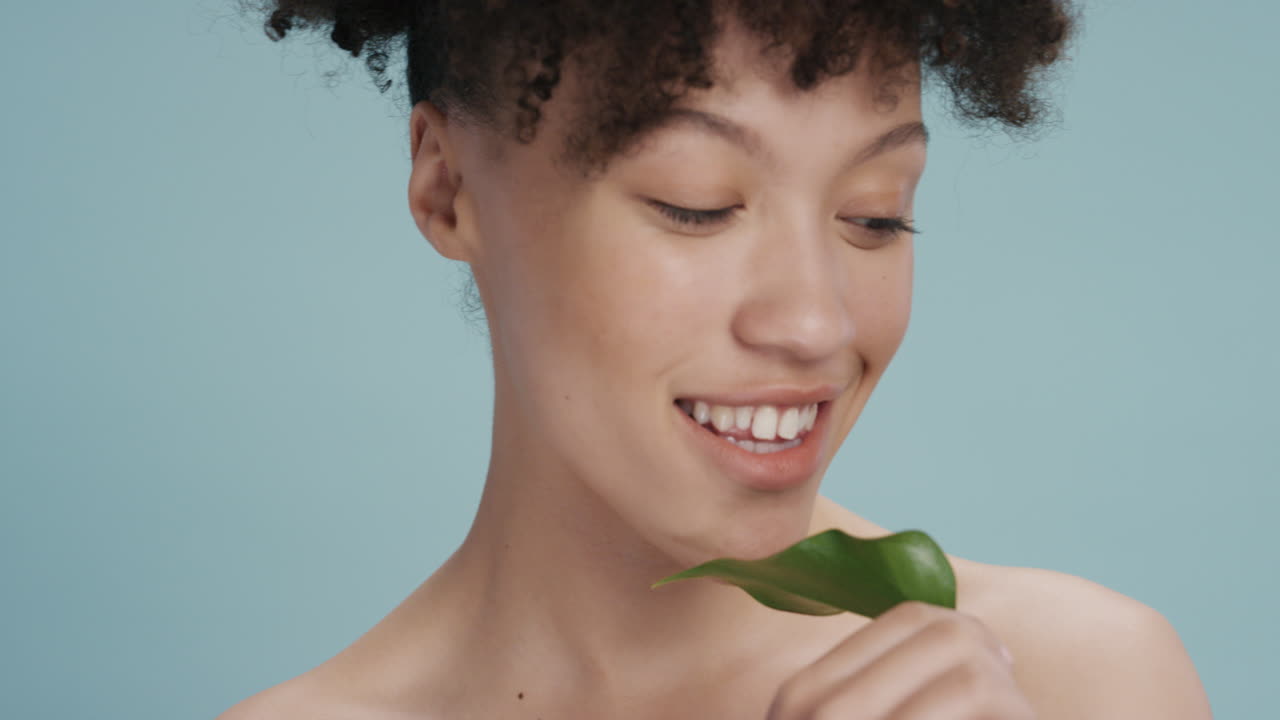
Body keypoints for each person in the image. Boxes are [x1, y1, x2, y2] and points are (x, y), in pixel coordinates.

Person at [221, 2, 1212, 718]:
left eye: (875, 214)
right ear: (447, 190)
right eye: (695, 204)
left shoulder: (1077, 685)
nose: (814, 323)